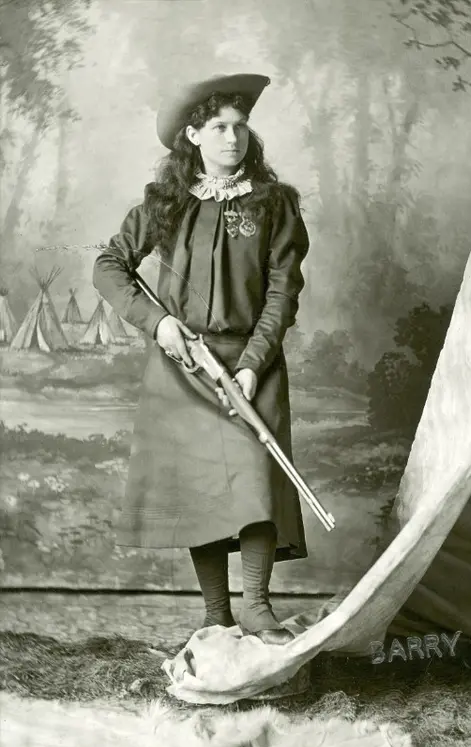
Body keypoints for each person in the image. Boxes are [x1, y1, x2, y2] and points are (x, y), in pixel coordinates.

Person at [93, 73, 309, 646]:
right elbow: (108, 266)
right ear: (193, 135)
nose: (233, 138)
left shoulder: (274, 204)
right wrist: (159, 324)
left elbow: (282, 295)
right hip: (182, 365)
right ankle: (217, 614)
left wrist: (251, 364)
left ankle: (258, 605)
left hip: (250, 364)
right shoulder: (166, 203)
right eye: (219, 127)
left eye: (241, 127)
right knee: (199, 490)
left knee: (257, 474)